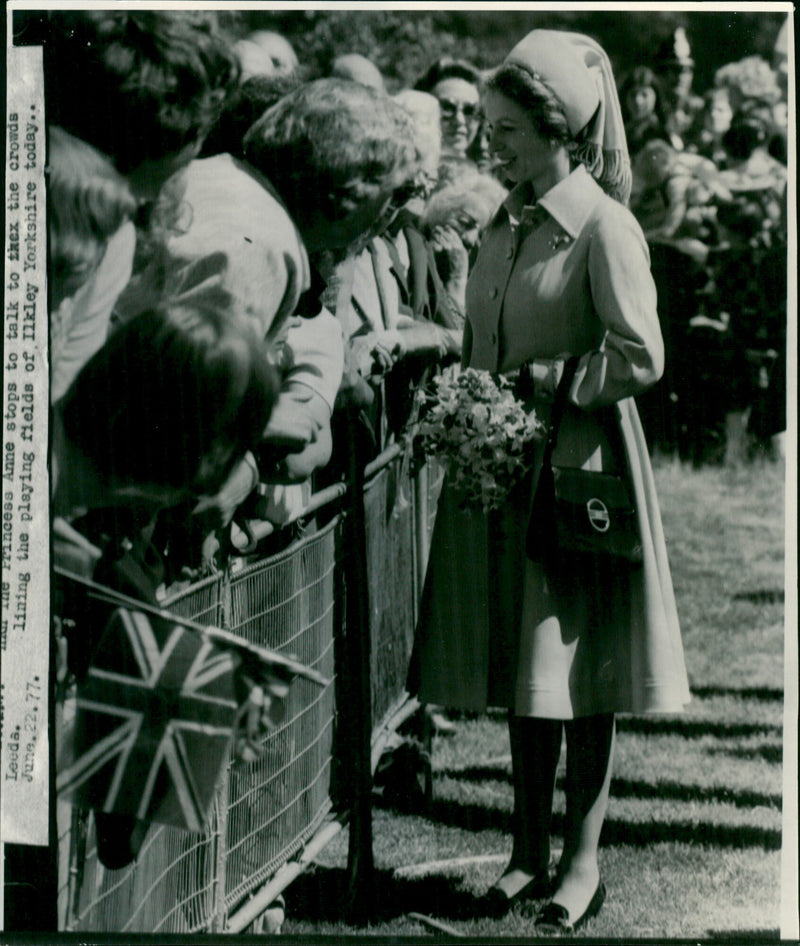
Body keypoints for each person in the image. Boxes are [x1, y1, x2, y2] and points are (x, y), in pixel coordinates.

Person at [410, 29, 690, 933]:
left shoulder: (603, 225)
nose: (493, 144)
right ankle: (525, 854)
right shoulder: (504, 220)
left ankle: (582, 862)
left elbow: (643, 352)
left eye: (507, 129)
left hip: (579, 469)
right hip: (503, 470)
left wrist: (556, 382)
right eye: (488, 126)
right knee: (522, 668)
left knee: (584, 672)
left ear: (556, 125)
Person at [415, 58, 485, 165]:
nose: (459, 120)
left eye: (469, 111)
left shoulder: (487, 177)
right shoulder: (403, 175)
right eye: (447, 109)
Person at [618, 66, 671, 159]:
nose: (638, 101)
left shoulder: (660, 132)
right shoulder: (617, 129)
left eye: (644, 95)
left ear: (656, 98)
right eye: (633, 94)